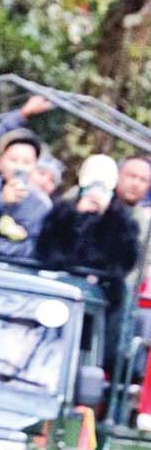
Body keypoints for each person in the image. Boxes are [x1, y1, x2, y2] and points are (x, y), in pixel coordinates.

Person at [36, 155, 140, 369]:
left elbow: (124, 261)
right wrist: (78, 219)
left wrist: (105, 219)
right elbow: (47, 251)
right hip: (59, 293)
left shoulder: (122, 221)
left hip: (101, 299)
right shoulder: (62, 212)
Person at [0, 129, 51, 258]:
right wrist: (1, 203)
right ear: (0, 162)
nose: (19, 167)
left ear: (35, 166)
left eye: (27, 162)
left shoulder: (41, 205)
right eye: (13, 160)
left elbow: (36, 249)